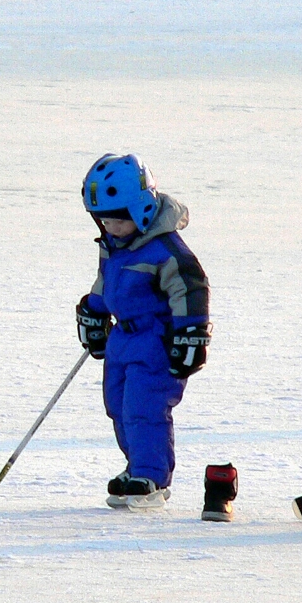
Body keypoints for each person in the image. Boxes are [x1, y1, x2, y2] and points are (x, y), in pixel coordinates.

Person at [76, 153, 212, 510]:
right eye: (103, 220)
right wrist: (93, 311)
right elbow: (109, 286)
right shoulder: (114, 247)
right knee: (118, 406)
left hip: (156, 341)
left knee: (143, 407)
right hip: (123, 339)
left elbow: (191, 290)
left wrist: (192, 335)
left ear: (143, 210)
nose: (111, 227)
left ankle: (151, 478)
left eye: (119, 220)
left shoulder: (165, 252)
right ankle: (136, 467)